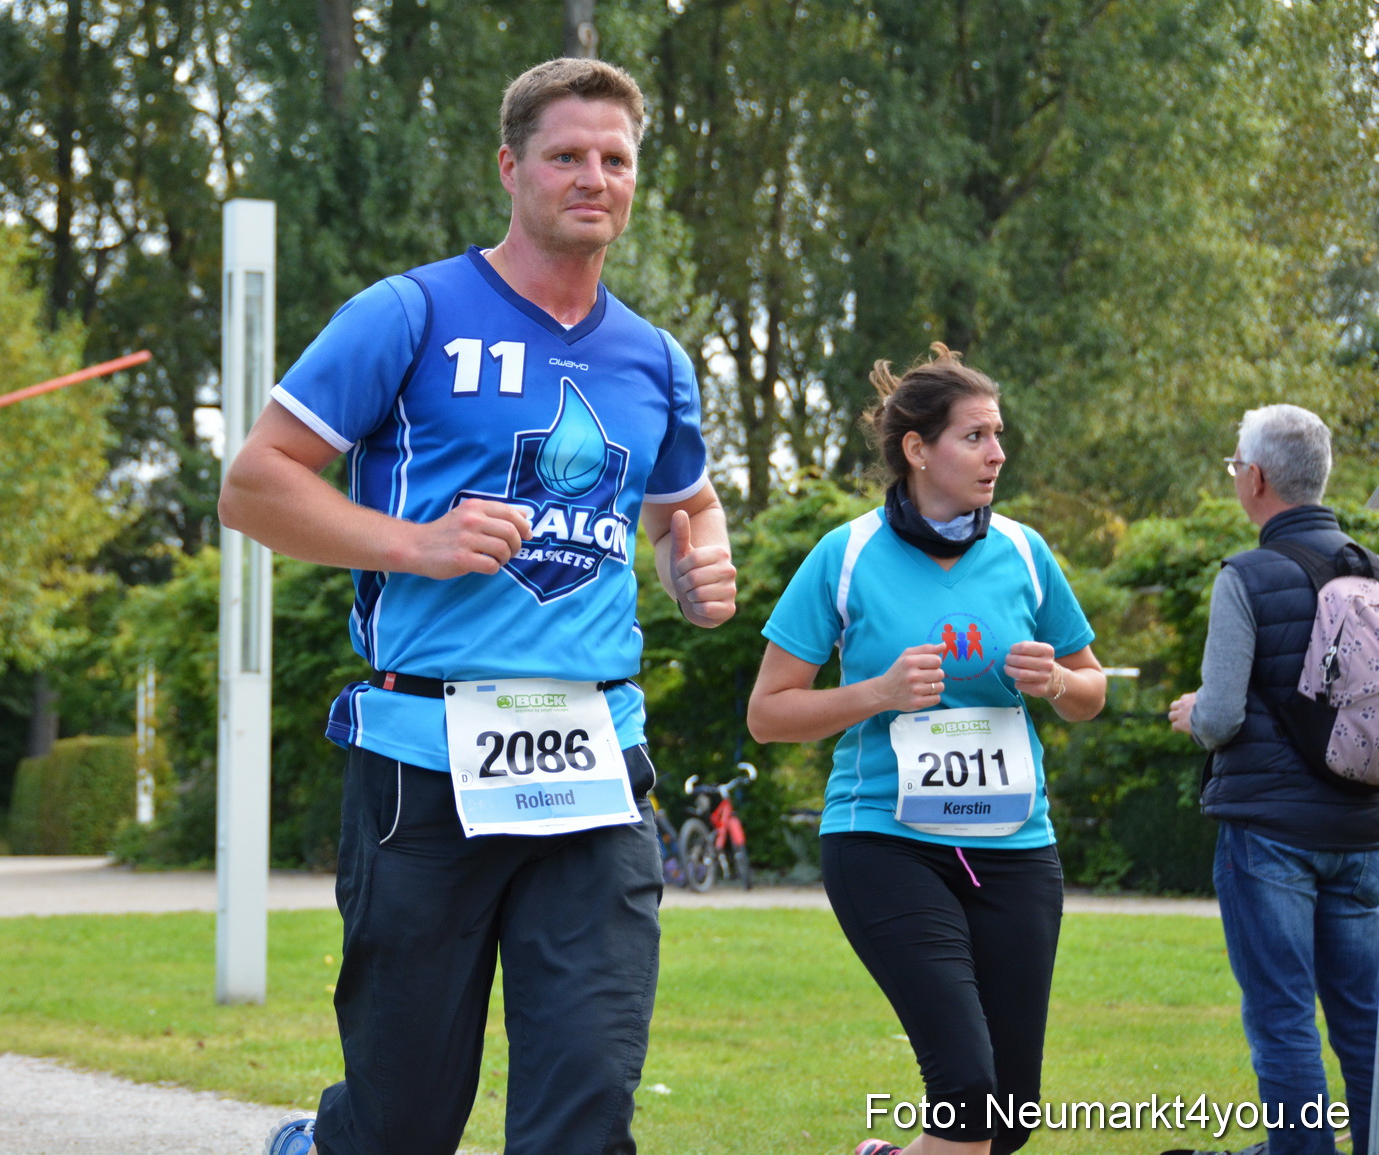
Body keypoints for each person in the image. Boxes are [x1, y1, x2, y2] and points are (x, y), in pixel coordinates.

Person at [217, 57, 737, 1155]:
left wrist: (697, 569)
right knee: (405, 1122)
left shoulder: (653, 361)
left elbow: (685, 503)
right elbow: (255, 483)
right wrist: (418, 543)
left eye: (614, 159)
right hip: (424, 761)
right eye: (565, 155)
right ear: (511, 168)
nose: (591, 177)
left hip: (595, 760)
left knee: (586, 1103)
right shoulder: (407, 313)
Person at [747, 345, 1106, 1155]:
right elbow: (768, 713)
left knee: (1006, 1125)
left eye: (999, 434)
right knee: (970, 1096)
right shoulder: (844, 556)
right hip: (885, 840)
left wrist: (1055, 683)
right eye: (976, 435)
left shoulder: (1023, 550)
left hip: (1016, 849)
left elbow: (1092, 690)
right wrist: (874, 693)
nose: (998, 453)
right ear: (918, 448)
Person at [1167, 404, 1379, 1155]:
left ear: (1254, 478)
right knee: (1365, 1024)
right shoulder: (1371, 571)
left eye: (1234, 467)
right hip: (1363, 831)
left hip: (1270, 837)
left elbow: (1221, 716)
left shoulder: (1247, 576)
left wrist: (1192, 712)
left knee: (1284, 1019)